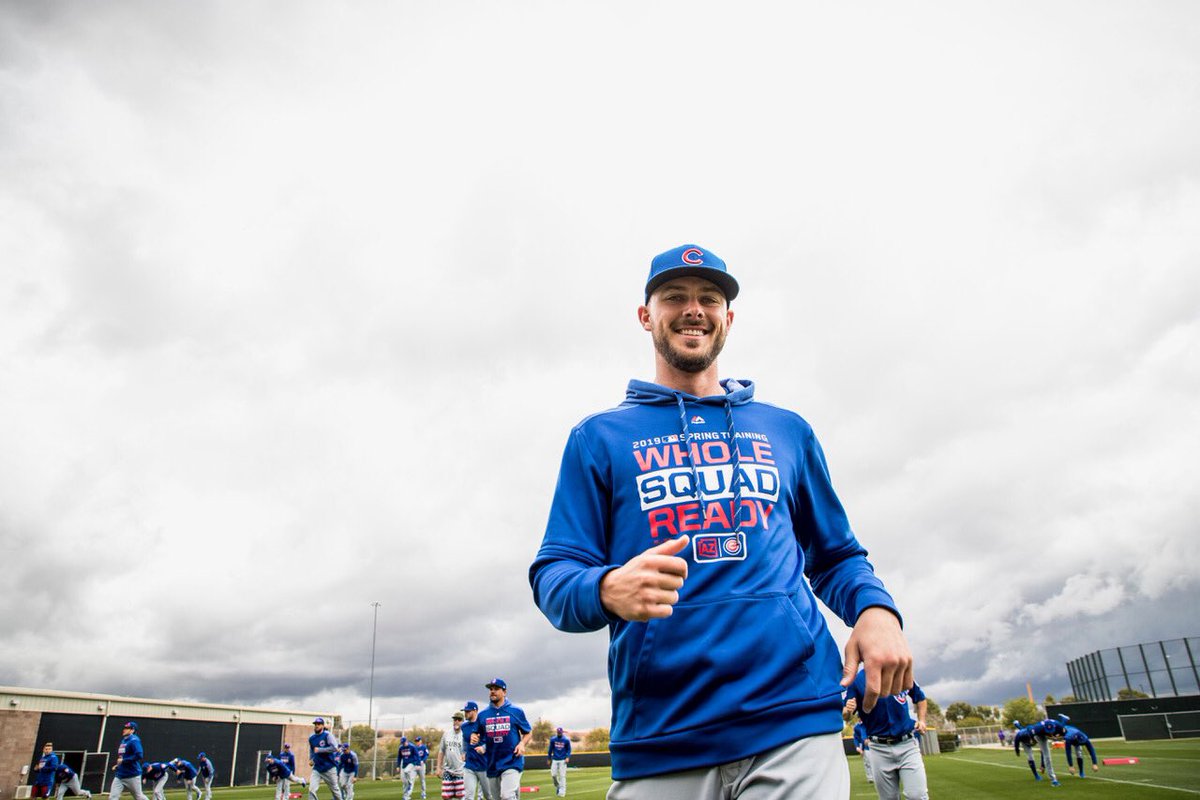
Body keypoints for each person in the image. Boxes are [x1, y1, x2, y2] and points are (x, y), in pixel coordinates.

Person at [529, 244, 913, 799]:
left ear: (727, 318)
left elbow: (835, 557)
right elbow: (554, 575)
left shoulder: (786, 430)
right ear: (646, 316)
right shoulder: (598, 438)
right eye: (674, 297)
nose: (693, 309)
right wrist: (607, 588)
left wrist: (877, 612)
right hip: (663, 736)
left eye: (709, 298)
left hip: (795, 720)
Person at [844, 669, 927, 800]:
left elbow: (920, 697)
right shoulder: (857, 680)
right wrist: (848, 710)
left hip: (907, 744)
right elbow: (846, 716)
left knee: (917, 795)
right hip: (879, 748)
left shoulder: (899, 670)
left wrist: (922, 720)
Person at [472, 679, 532, 800]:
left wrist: (522, 744)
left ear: (504, 692)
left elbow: (528, 732)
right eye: (491, 689)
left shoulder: (516, 711)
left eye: (496, 689)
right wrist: (474, 736)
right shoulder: (483, 714)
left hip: (512, 761)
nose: (492, 691)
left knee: (506, 796)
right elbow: (476, 732)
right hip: (492, 763)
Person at [110, 722, 149, 800]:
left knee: (139, 797)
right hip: (120, 775)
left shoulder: (134, 740)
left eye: (127, 728)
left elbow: (139, 755)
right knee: (112, 797)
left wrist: (124, 761)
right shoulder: (124, 741)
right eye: (124, 728)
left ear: (132, 730)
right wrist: (118, 765)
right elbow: (122, 757)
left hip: (132, 775)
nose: (124, 730)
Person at [458, 702, 489, 800]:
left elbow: (493, 741)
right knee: (468, 796)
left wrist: (484, 747)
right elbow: (464, 740)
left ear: (475, 711)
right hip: (470, 766)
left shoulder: (485, 724)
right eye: (465, 711)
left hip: (485, 765)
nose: (465, 714)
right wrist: (463, 751)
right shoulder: (464, 726)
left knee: (489, 795)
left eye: (468, 711)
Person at [307, 717, 343, 800]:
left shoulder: (327, 735)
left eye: (319, 724)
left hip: (329, 768)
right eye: (315, 724)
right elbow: (312, 750)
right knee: (311, 790)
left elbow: (335, 748)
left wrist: (320, 750)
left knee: (335, 790)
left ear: (323, 726)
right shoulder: (312, 738)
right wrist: (311, 759)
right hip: (317, 768)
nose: (316, 726)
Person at [436, 711, 467, 800]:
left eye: (459, 720)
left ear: (463, 721)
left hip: (461, 771)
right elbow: (441, 751)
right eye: (455, 719)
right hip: (447, 771)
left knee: (461, 797)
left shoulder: (465, 735)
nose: (456, 721)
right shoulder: (446, 734)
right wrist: (438, 767)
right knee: (446, 797)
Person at [1033, 716, 1066, 786]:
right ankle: (1053, 779)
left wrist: (1058, 737)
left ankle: (1064, 718)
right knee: (1047, 756)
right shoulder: (1037, 728)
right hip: (1040, 736)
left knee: (1046, 755)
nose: (1051, 733)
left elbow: (1064, 734)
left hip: (1050, 732)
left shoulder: (1059, 726)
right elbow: (1033, 735)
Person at [546, 728, 571, 798]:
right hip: (555, 759)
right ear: (557, 732)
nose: (559, 733)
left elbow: (569, 750)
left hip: (563, 760)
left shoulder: (566, 740)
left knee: (562, 776)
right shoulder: (553, 739)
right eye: (558, 732)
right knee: (553, 775)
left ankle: (562, 792)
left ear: (562, 732)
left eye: (560, 732)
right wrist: (548, 758)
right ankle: (558, 786)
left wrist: (567, 757)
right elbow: (550, 750)